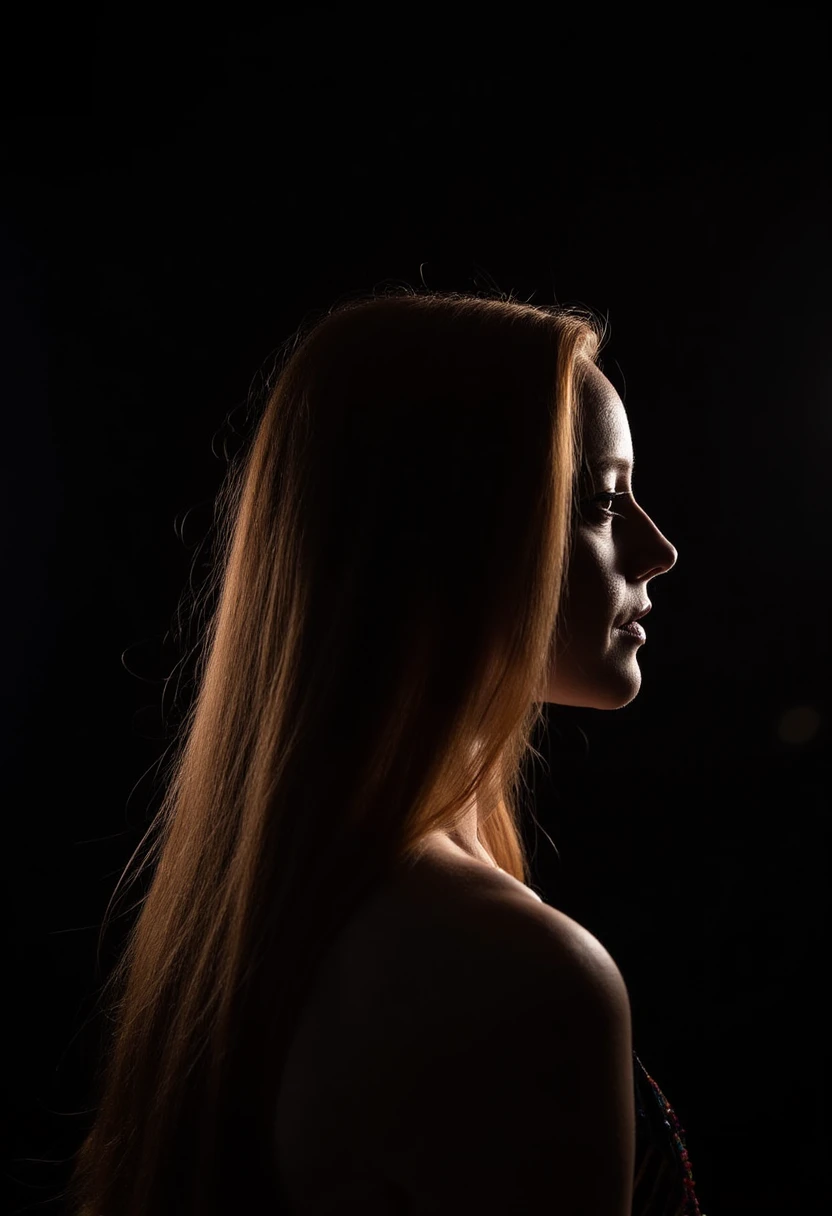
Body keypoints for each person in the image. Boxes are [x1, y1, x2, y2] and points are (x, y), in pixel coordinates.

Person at [66, 287, 703, 1215]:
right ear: (453, 534)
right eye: (603, 504)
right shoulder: (516, 976)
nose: (659, 550)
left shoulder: (243, 921)